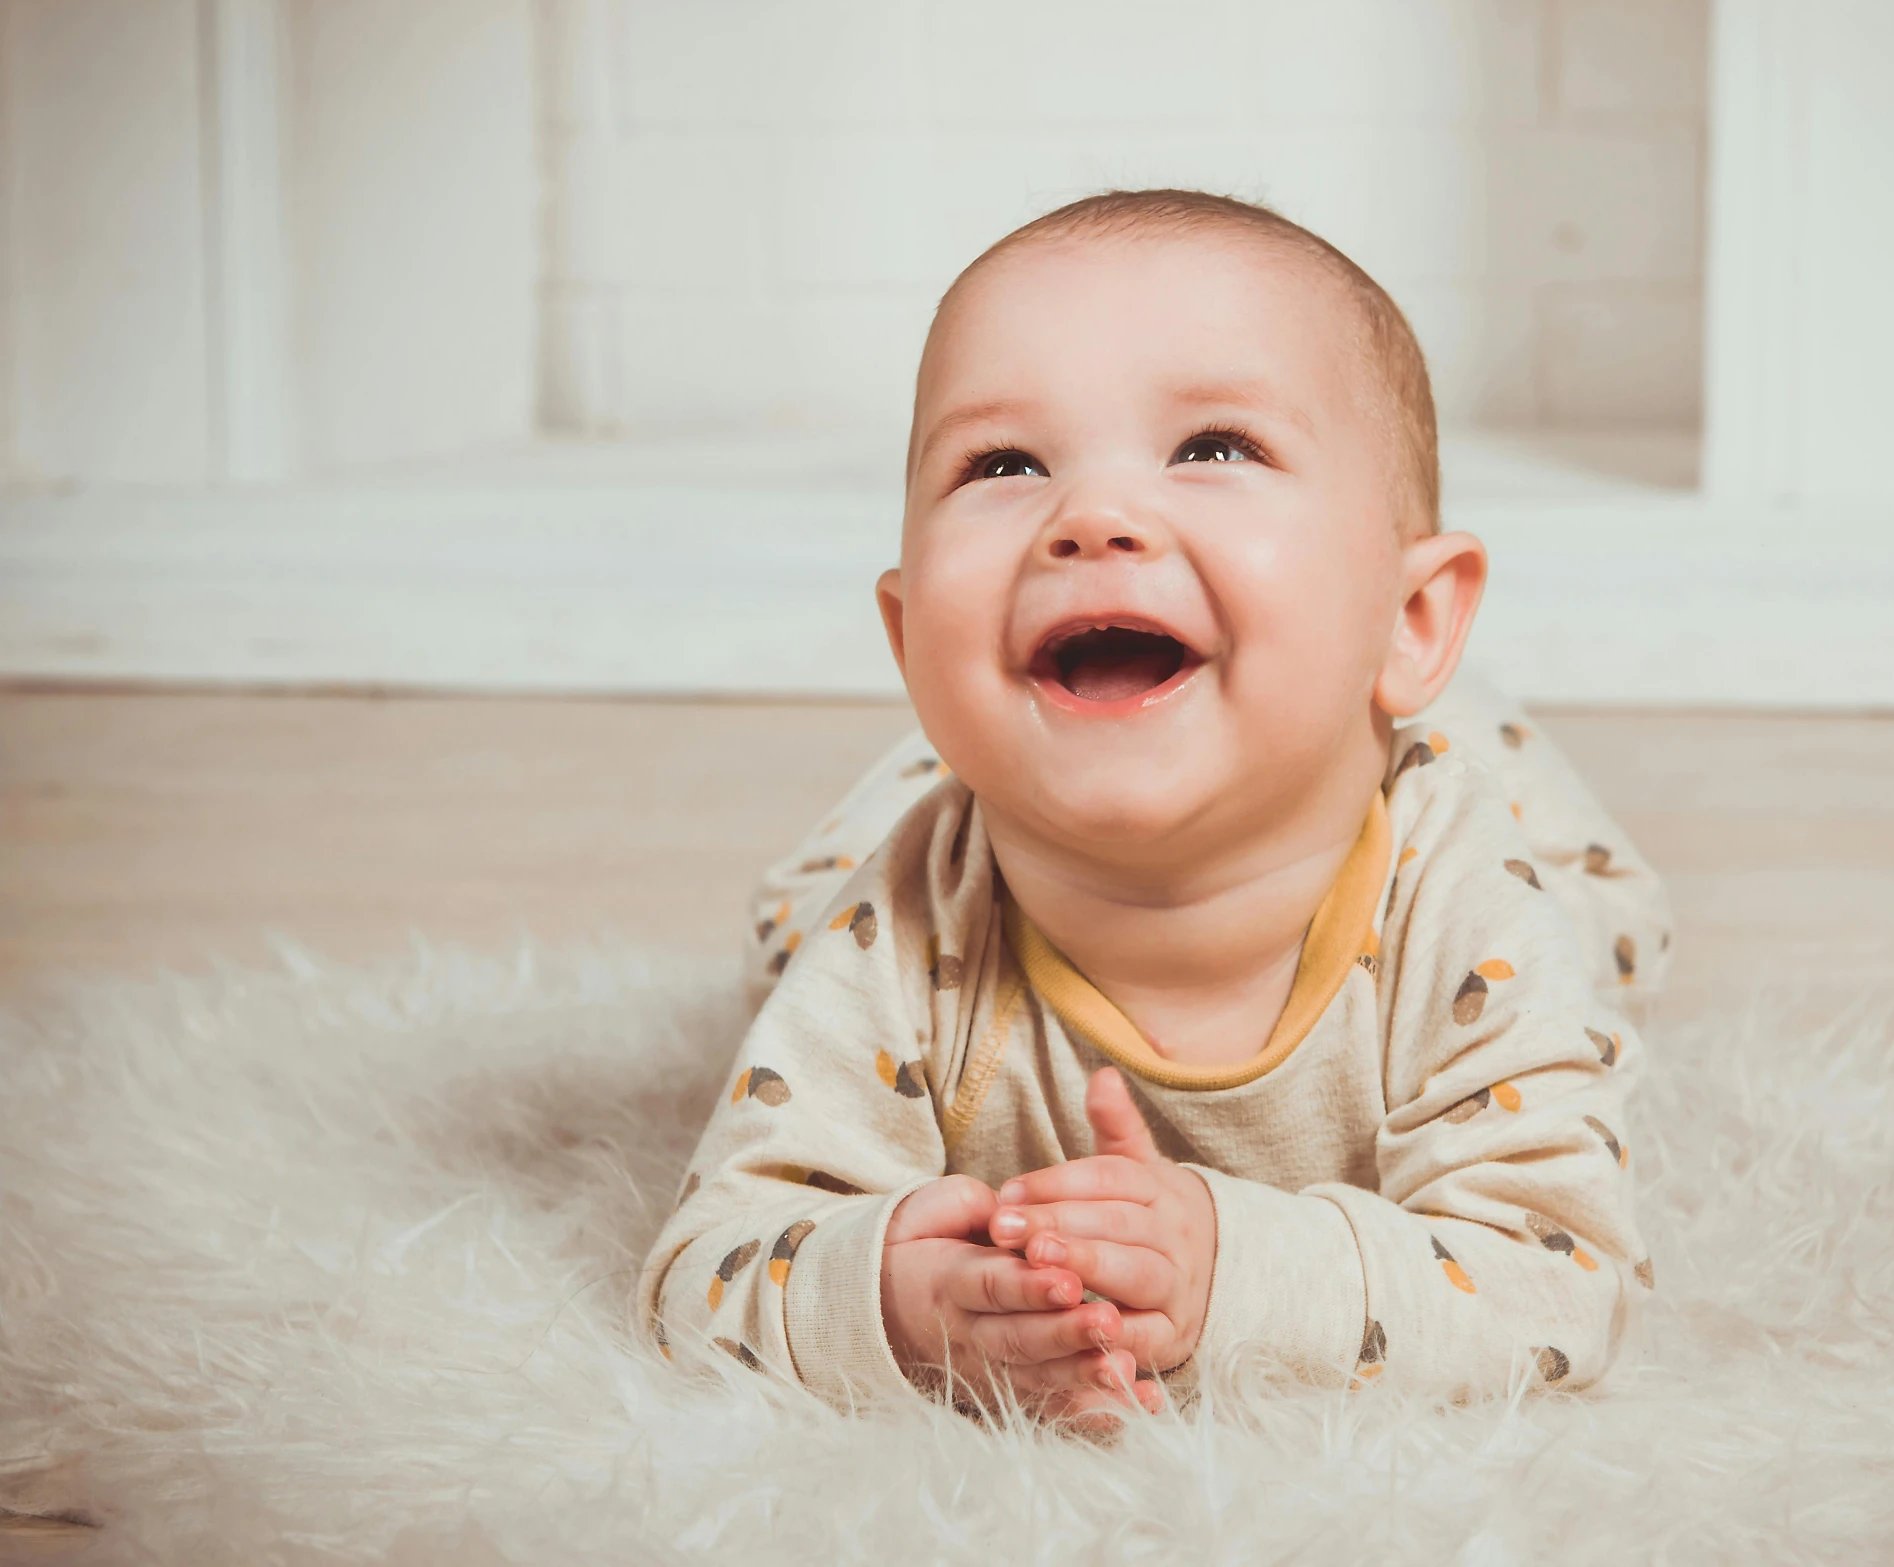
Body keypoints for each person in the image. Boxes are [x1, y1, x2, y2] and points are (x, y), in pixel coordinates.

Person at [638, 190, 1672, 1423]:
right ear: (910, 640)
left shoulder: (1465, 902)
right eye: (1002, 465)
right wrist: (897, 1303)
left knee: (1607, 936)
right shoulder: (906, 928)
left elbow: (1559, 1283)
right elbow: (706, 1270)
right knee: (792, 928)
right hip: (968, 776)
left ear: (1411, 617)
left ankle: (1429, 697)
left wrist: (1233, 1266)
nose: (1092, 518)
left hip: (1464, 793)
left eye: (1213, 448)